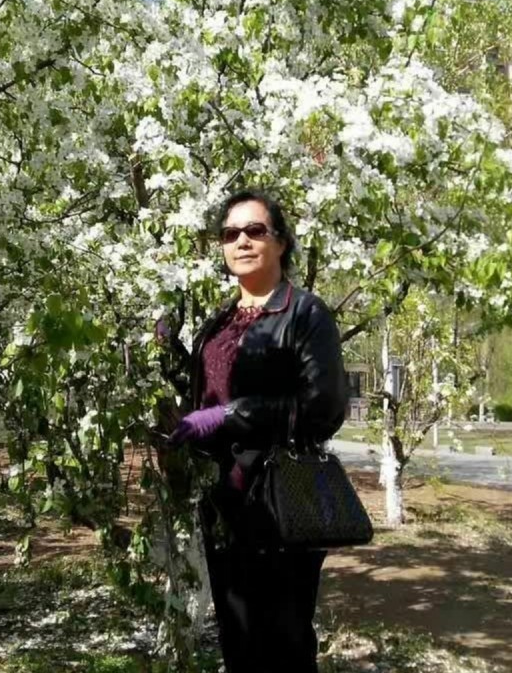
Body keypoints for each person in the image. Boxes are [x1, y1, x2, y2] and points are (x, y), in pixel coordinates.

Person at [167, 190, 348, 673]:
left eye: (255, 230)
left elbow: (324, 407)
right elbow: (210, 391)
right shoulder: (219, 323)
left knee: (284, 643)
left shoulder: (305, 313)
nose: (241, 241)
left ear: (281, 242)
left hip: (284, 500)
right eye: (230, 234)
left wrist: (229, 416)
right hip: (225, 503)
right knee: (238, 640)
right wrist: (173, 358)